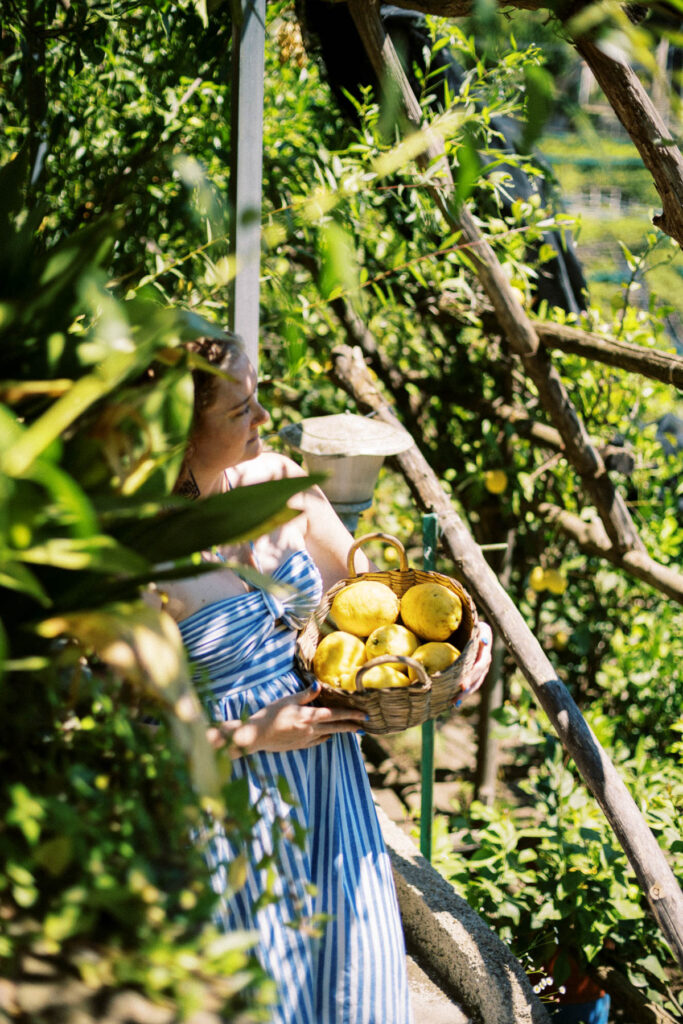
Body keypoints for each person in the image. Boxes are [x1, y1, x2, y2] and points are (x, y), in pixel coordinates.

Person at [151, 333, 493, 1024]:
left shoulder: (282, 485)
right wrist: (253, 732)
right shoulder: (145, 555)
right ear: (181, 432)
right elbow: (139, 742)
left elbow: (376, 613)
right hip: (227, 814)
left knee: (354, 989)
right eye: (239, 408)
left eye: (258, 397)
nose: (261, 417)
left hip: (330, 794)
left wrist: (459, 643)